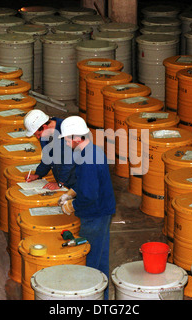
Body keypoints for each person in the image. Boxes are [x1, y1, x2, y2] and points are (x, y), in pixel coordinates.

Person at [57, 116, 116, 300]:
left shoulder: (88, 159)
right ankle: (103, 299)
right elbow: (87, 184)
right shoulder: (90, 151)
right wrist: (71, 192)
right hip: (102, 211)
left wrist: (71, 205)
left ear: (77, 137)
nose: (66, 142)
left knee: (90, 263)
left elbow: (90, 195)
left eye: (67, 138)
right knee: (101, 259)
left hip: (94, 215)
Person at [24, 109, 76, 190]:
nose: (38, 137)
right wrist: (38, 175)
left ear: (44, 127)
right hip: (63, 180)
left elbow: (70, 163)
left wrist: (60, 184)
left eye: (38, 134)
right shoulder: (44, 134)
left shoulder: (67, 131)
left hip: (77, 180)